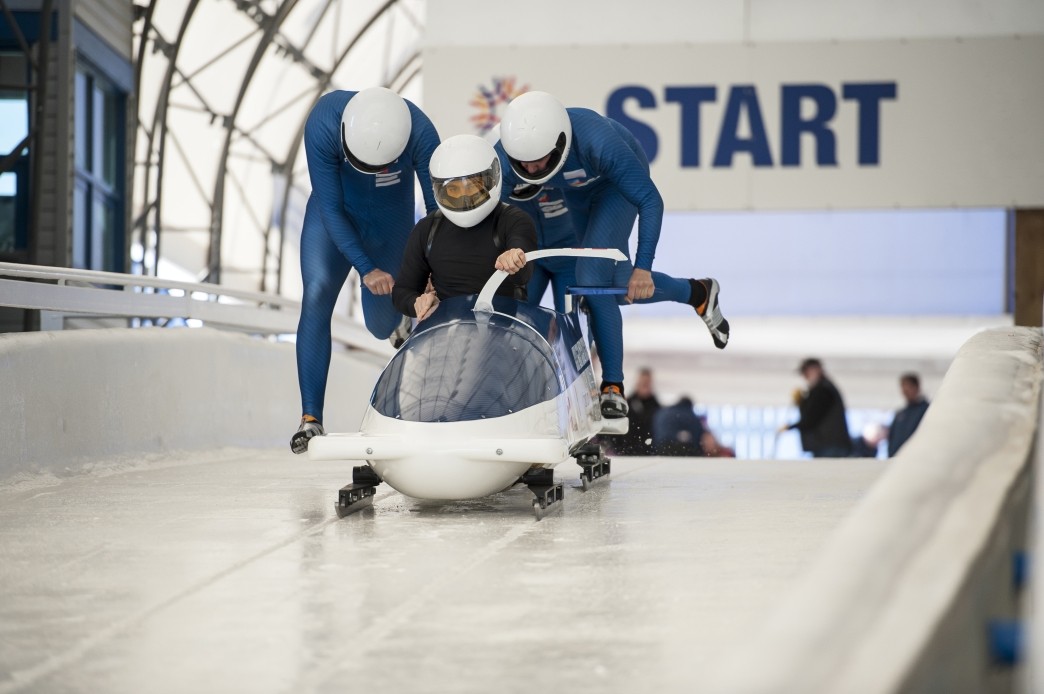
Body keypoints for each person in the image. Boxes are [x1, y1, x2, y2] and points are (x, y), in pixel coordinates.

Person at [494, 91, 730, 420]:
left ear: (560, 145)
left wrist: (644, 268)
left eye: (539, 161)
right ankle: (698, 292)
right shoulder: (505, 158)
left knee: (590, 278)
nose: (531, 168)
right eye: (524, 164)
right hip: (576, 192)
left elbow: (651, 200)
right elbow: (489, 216)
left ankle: (613, 388)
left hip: (615, 187)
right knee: (615, 285)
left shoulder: (597, 141)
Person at [291, 87, 440, 455]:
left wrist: (435, 271)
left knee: (380, 326)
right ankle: (311, 418)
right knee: (317, 292)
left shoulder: (420, 133)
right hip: (335, 218)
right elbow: (330, 206)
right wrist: (365, 267)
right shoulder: (323, 122)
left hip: (390, 223)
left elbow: (438, 211)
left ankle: (397, 324)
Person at [392, 134, 536, 320]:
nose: (463, 198)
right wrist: (417, 303)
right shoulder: (427, 229)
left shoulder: (514, 220)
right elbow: (402, 291)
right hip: (447, 330)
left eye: (472, 187)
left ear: (492, 179)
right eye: (453, 190)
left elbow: (523, 275)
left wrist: (515, 258)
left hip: (502, 330)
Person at [779, 358, 852, 458]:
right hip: (829, 446)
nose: (805, 377)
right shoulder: (822, 389)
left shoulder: (823, 390)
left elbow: (811, 418)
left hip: (829, 446)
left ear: (816, 369)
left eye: (806, 372)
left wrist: (790, 426)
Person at [615, 367, 661, 455]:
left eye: (647, 383)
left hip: (649, 453)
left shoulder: (657, 407)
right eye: (643, 383)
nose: (645, 385)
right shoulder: (626, 404)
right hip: (627, 452)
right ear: (637, 382)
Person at [888, 372, 930, 456]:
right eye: (903, 388)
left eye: (908, 387)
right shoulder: (900, 414)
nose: (905, 391)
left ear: (916, 387)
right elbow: (891, 438)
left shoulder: (927, 410)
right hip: (896, 459)